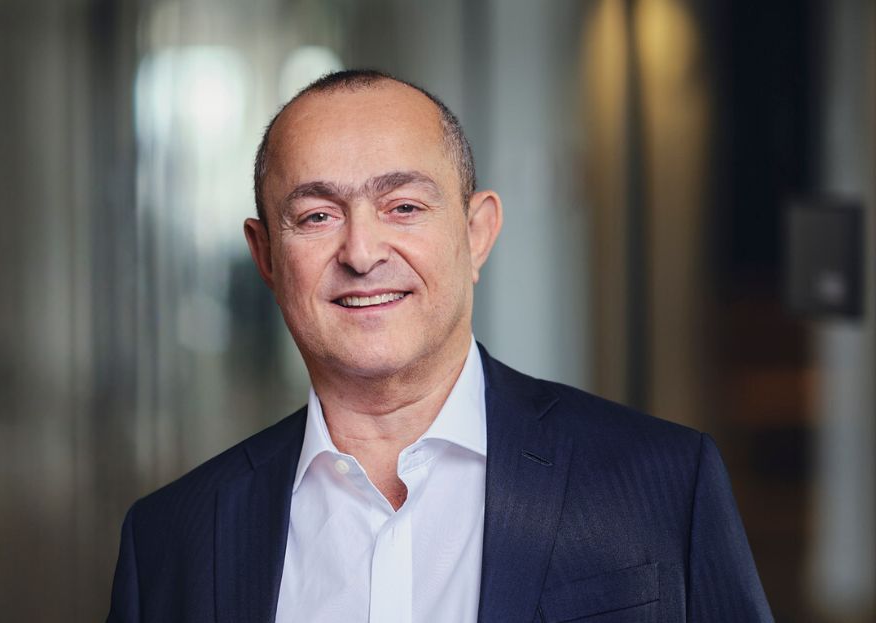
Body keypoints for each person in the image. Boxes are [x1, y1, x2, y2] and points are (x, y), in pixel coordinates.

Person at [105, 70, 770, 622]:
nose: (362, 252)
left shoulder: (663, 481)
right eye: (316, 216)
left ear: (477, 233)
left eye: (403, 207)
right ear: (266, 255)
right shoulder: (170, 538)